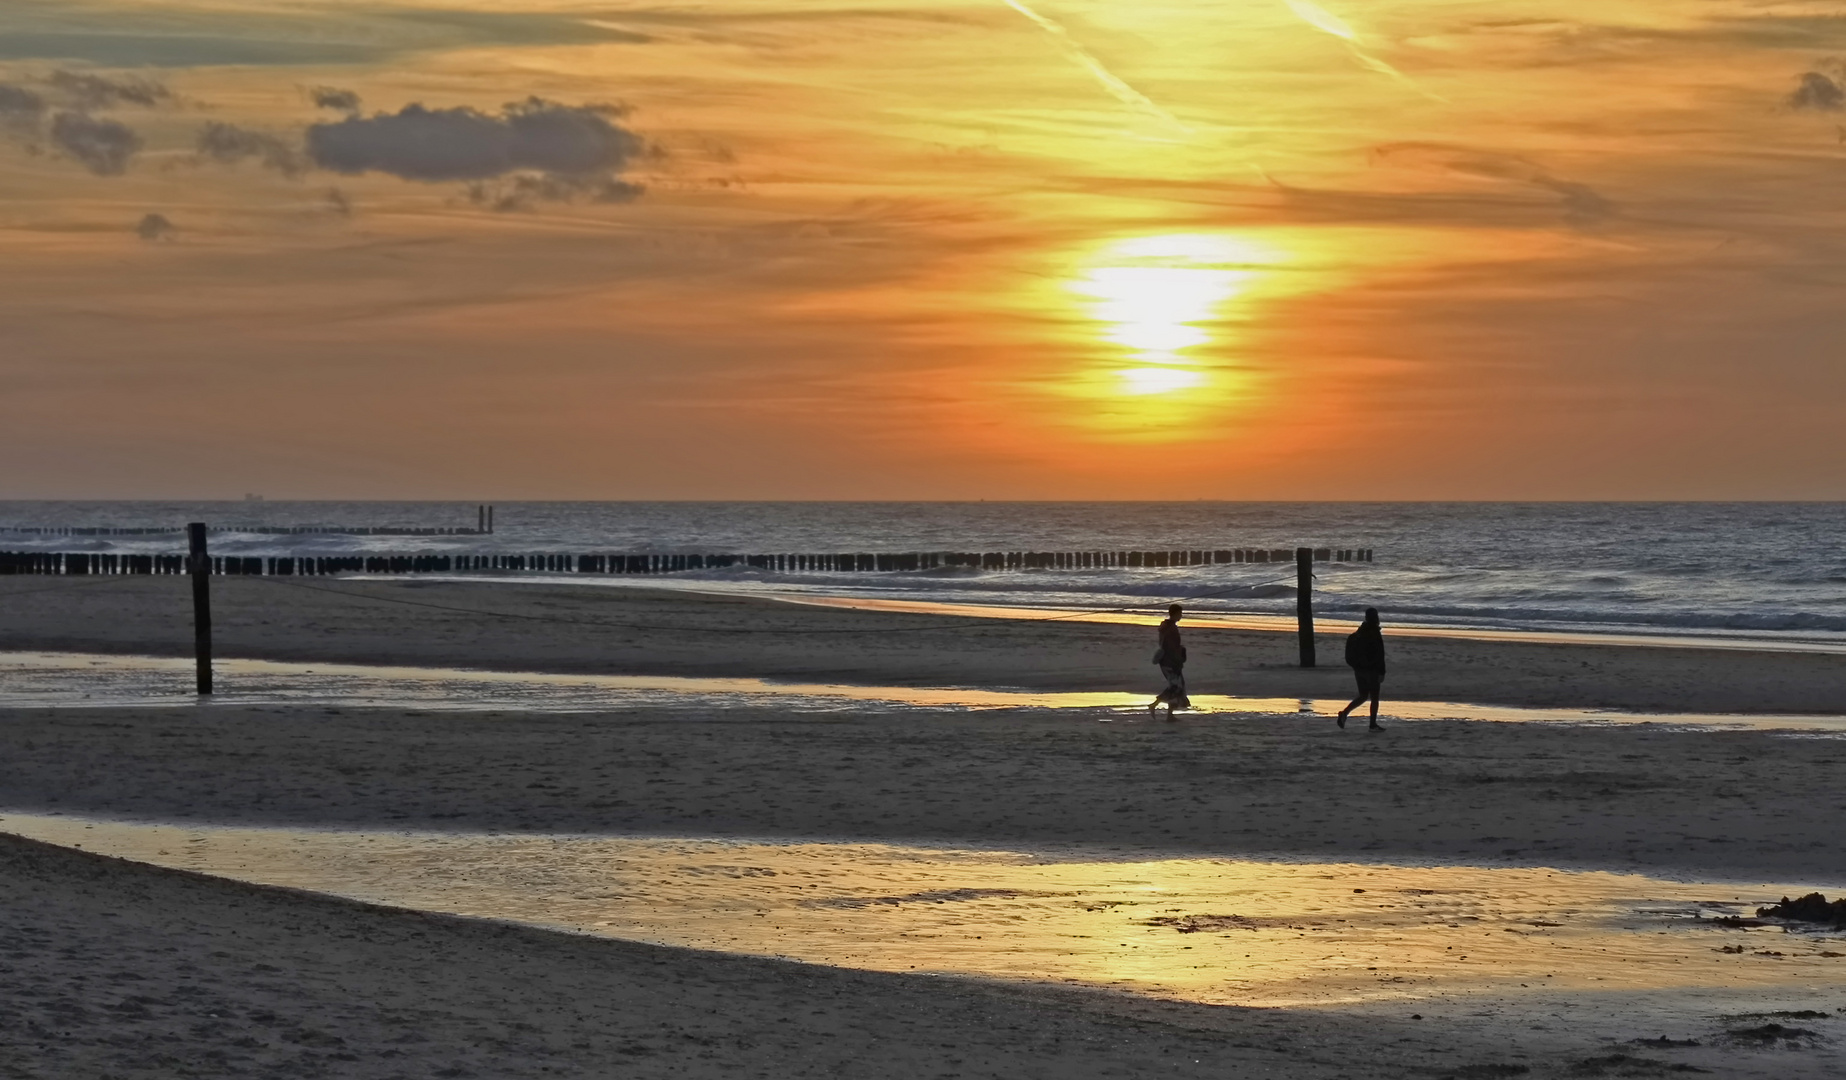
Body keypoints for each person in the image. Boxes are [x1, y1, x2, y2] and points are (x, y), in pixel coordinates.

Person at [1338, 607, 1386, 730]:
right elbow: (1380, 654)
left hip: (1359, 669)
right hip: (1372, 669)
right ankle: (1372, 724)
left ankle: (1345, 713)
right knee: (1374, 697)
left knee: (1363, 695)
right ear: (1376, 618)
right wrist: (1382, 671)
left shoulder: (1359, 632)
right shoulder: (1374, 633)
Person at [1148, 604, 1190, 720]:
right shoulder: (1171, 628)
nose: (1181, 616)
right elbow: (1172, 648)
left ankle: (1169, 715)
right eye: (1180, 614)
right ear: (1175, 614)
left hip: (1166, 661)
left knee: (1175, 686)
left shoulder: (1166, 626)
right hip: (1170, 662)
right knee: (1175, 687)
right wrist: (1178, 660)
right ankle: (1154, 705)